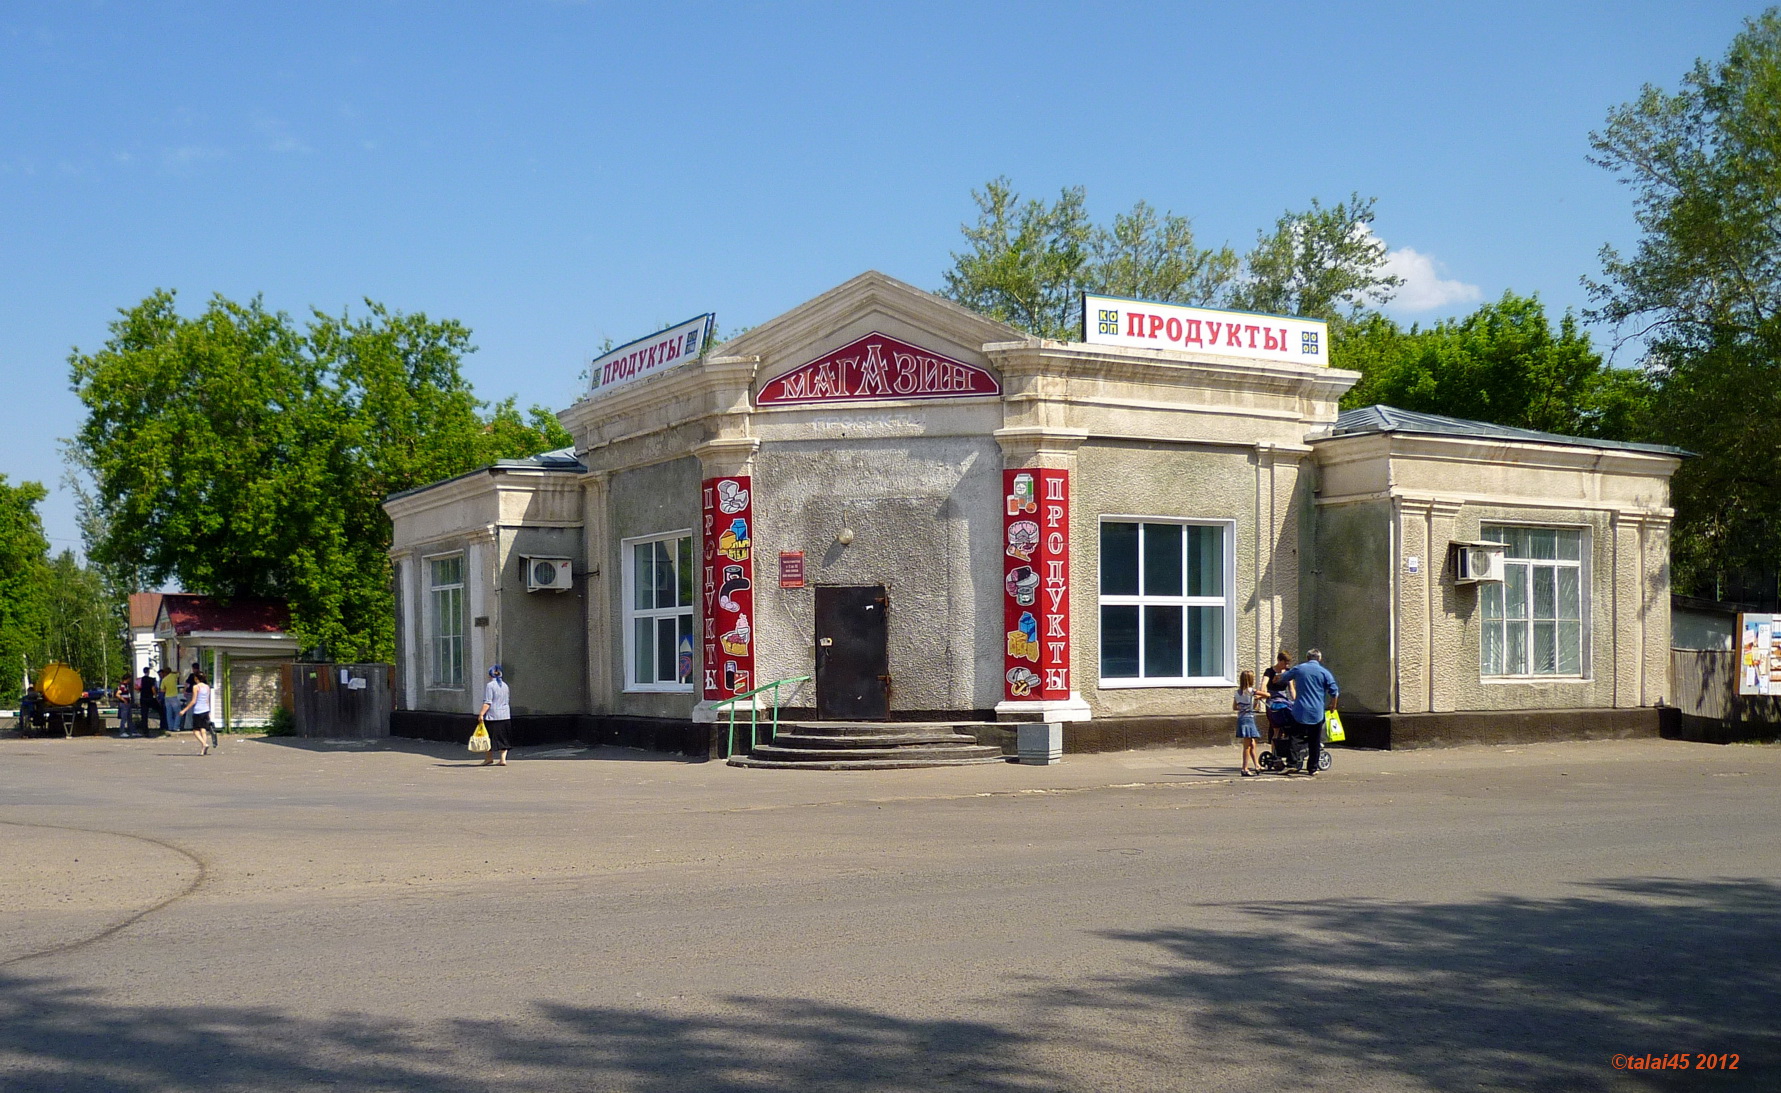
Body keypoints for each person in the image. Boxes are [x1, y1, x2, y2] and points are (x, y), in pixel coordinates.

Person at [1279, 648, 1340, 777]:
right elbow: (1334, 691)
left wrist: (1276, 677)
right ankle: (1312, 767)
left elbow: (1284, 677)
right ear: (1320, 659)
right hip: (1317, 712)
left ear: (1307, 658)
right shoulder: (1324, 672)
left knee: (1295, 737)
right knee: (1315, 740)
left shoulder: (1299, 669)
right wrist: (1333, 705)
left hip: (1300, 710)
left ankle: (1292, 764)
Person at [1262, 650, 1297, 769]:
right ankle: (1275, 756)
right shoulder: (1269, 671)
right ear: (1279, 661)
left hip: (1284, 701)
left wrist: (1295, 701)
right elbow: (1263, 686)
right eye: (1285, 663)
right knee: (1276, 729)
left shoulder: (1288, 672)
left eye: (1288, 664)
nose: (1286, 666)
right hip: (1273, 700)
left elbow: (1291, 689)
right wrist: (1262, 695)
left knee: (1288, 727)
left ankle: (1287, 753)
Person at [476, 664, 512, 767]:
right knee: (503, 738)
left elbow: (488, 702)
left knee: (488, 738)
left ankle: (489, 758)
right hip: (505, 715)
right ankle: (503, 759)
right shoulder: (505, 685)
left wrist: (481, 714)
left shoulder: (490, 685)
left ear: (490, 674)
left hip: (493, 716)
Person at [1233, 669, 1263, 776]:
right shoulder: (1251, 691)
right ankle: (1244, 768)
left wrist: (1245, 706)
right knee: (1247, 745)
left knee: (1252, 743)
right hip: (1248, 718)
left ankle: (1257, 765)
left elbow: (1234, 707)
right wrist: (1258, 697)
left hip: (1241, 718)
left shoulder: (1237, 693)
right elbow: (1267, 694)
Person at [181, 670, 215, 756]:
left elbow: (193, 701)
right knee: (203, 730)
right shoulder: (207, 687)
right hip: (206, 710)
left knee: (196, 731)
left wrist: (184, 710)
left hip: (198, 710)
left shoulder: (196, 687)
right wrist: (209, 711)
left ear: (196, 678)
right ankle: (203, 750)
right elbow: (207, 700)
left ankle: (204, 744)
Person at [160, 666, 182, 739]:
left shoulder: (164, 680)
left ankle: (170, 727)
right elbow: (179, 673)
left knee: (169, 713)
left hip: (167, 697)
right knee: (178, 712)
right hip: (174, 696)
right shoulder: (173, 676)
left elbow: (162, 690)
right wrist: (173, 672)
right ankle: (176, 727)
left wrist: (167, 690)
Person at [138, 668, 160, 735]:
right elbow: (153, 688)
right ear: (148, 672)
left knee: (144, 715)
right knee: (160, 710)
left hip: (143, 698)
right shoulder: (151, 679)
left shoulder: (139, 679)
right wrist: (156, 696)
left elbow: (137, 689)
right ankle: (163, 726)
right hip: (150, 698)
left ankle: (145, 730)